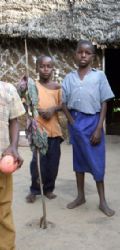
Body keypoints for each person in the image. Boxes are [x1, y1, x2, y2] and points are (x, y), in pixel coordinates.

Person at [62, 40, 115, 216]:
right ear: (75, 54)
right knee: (79, 161)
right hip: (76, 122)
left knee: (97, 162)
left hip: (94, 122)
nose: (83, 55)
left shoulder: (99, 76)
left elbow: (104, 102)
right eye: (80, 52)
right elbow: (63, 103)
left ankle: (102, 201)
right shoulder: (69, 78)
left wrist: (99, 127)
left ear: (93, 56)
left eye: (87, 52)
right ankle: (80, 196)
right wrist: (72, 122)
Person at [26, 55, 63, 203]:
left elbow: (63, 105)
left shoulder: (57, 87)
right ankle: (35, 190)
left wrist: (52, 109)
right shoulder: (32, 86)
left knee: (53, 163)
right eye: (42, 66)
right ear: (37, 68)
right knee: (37, 163)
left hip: (54, 132)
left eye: (49, 66)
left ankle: (48, 189)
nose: (45, 69)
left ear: (53, 68)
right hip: (38, 131)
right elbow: (26, 103)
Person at [0, 80, 25, 249]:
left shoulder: (7, 89)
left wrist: (13, 146)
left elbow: (14, 121)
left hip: (2, 160)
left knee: (3, 210)